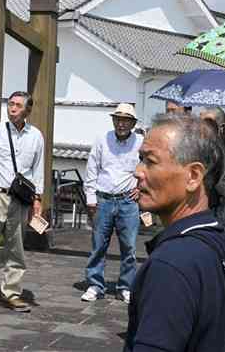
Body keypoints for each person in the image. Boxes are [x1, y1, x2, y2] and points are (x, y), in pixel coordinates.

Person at [124, 114, 225, 352]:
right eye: (140, 159)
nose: (138, 171)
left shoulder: (171, 263)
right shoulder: (222, 242)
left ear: (193, 176)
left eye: (150, 161)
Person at [0, 91, 44, 318]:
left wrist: (37, 198)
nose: (12, 108)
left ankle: (12, 292)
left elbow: (38, 169)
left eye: (18, 105)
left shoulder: (36, 136)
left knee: (17, 249)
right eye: (10, 104)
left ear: (28, 110)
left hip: (20, 200)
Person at [82, 103, 143, 304]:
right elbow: (92, 168)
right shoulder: (102, 139)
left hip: (128, 200)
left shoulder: (141, 142)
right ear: (113, 120)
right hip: (104, 199)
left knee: (130, 248)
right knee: (98, 245)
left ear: (133, 123)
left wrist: (142, 187)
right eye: (118, 119)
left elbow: (149, 167)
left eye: (126, 120)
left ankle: (125, 286)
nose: (121, 123)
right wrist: (90, 197)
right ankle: (94, 285)